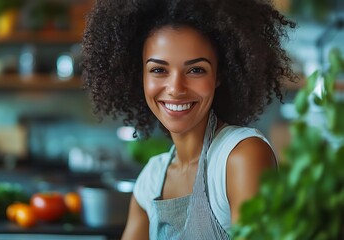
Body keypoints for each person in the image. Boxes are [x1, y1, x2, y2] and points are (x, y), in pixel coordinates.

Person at [81, 0, 296, 239]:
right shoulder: (151, 180)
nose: (175, 88)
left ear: (219, 75)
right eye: (158, 70)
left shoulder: (240, 157)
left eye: (196, 70)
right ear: (138, 74)